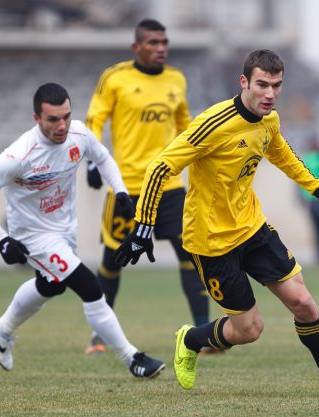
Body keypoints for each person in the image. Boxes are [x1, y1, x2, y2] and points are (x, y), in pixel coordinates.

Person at [114, 50, 319, 398]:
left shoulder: (269, 121)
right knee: (250, 329)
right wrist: (143, 226)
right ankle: (190, 339)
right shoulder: (213, 124)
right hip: (210, 242)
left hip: (251, 228)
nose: (270, 94)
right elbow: (161, 167)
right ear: (244, 82)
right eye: (262, 85)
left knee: (303, 302)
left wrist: (318, 189)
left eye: (277, 86)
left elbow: (281, 152)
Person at [0, 83, 164, 379]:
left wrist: (120, 191)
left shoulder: (79, 134)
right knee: (90, 287)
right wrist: (2, 239)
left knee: (51, 286)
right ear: (36, 119)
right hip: (33, 236)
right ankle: (132, 358)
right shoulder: (20, 154)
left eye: (66, 116)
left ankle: (1, 329)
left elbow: (103, 157)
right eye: (53, 119)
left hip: (65, 229)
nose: (62, 126)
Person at [84, 18, 209, 354]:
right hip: (127, 187)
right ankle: (100, 336)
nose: (161, 48)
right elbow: (94, 120)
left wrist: (200, 159)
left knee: (191, 253)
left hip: (169, 185)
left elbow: (185, 125)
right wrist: (93, 160)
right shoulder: (115, 78)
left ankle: (205, 333)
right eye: (153, 43)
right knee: (113, 259)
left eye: (164, 42)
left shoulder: (176, 80)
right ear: (136, 47)